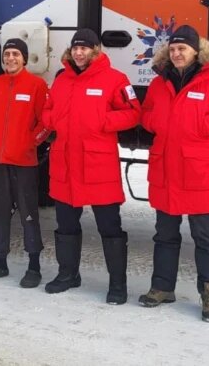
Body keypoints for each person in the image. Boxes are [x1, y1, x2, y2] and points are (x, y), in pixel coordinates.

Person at [136, 25, 209, 323]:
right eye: (172, 49)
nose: (176, 54)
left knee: (205, 236)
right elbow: (145, 114)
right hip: (166, 170)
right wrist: (158, 123)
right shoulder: (159, 83)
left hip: (199, 171)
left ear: (196, 52)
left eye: (182, 49)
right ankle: (162, 287)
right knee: (165, 234)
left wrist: (200, 126)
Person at [41, 28, 141, 305]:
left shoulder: (115, 79)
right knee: (66, 225)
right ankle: (68, 274)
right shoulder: (61, 79)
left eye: (85, 48)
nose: (79, 52)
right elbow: (47, 108)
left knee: (109, 227)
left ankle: (118, 285)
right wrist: (53, 121)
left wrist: (101, 123)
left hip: (98, 164)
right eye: (75, 47)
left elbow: (133, 112)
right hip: (65, 163)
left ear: (96, 50)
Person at [0, 38, 50, 288]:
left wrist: (31, 142)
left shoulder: (37, 85)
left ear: (24, 58)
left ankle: (34, 266)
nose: (10, 58)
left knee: (29, 214)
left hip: (24, 162)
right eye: (7, 54)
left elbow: (45, 123)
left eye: (16, 54)